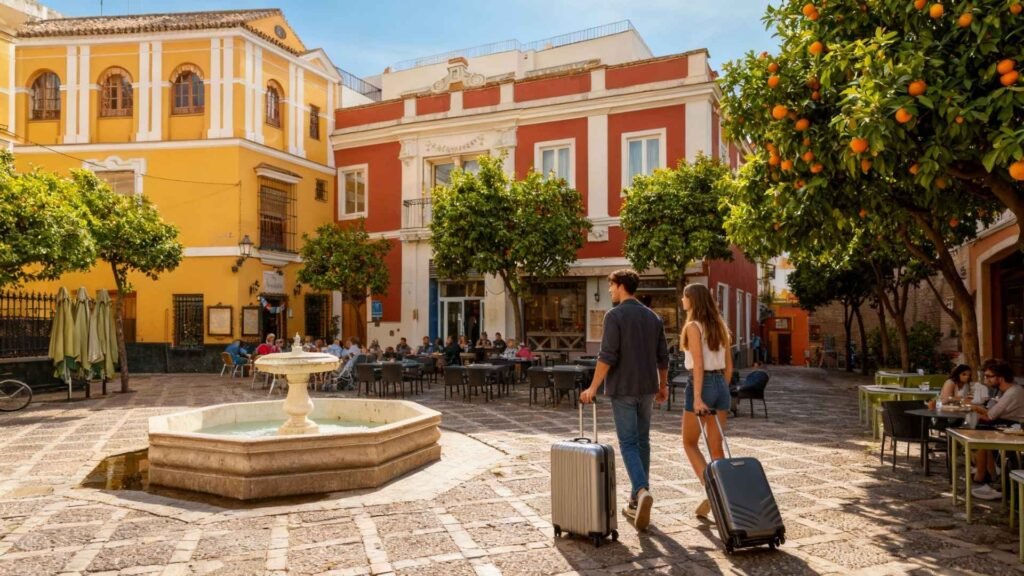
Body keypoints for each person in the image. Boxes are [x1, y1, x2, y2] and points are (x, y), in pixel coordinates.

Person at [580, 269, 668, 531]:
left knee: (628, 443)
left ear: (620, 286)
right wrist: (663, 386)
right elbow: (663, 357)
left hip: (623, 389)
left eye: (611, 286)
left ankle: (641, 491)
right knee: (643, 442)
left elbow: (607, 355)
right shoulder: (654, 318)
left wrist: (592, 387)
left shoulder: (614, 315)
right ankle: (635, 500)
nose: (609, 290)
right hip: (648, 388)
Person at [679, 283, 733, 521]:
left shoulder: (693, 326)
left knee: (689, 442)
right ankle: (726, 494)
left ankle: (712, 491)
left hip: (701, 384)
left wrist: (699, 397)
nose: (682, 301)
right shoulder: (720, 327)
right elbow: (729, 365)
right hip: (721, 383)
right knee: (716, 446)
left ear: (692, 300)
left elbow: (698, 364)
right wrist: (722, 387)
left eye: (684, 297)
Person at [970, 359, 1022, 500]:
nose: (986, 379)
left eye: (989, 376)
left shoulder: (1012, 392)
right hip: (1006, 424)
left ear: (1001, 377)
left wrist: (973, 408)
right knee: (980, 427)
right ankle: (989, 474)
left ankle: (983, 474)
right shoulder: (1003, 390)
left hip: (1014, 427)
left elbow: (989, 416)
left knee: (981, 427)